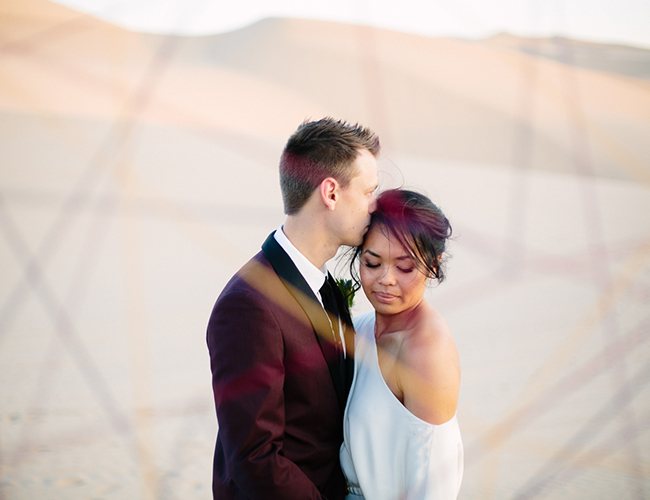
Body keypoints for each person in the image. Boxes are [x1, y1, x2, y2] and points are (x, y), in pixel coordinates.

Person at [207, 117, 380, 499]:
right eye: (369, 191)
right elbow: (254, 457)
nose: (375, 205)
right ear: (331, 193)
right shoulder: (248, 307)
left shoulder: (325, 287)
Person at [340, 189, 463, 499]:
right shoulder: (362, 329)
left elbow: (434, 487)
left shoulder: (425, 352)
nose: (386, 279)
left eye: (404, 267)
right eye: (372, 263)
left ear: (432, 265)